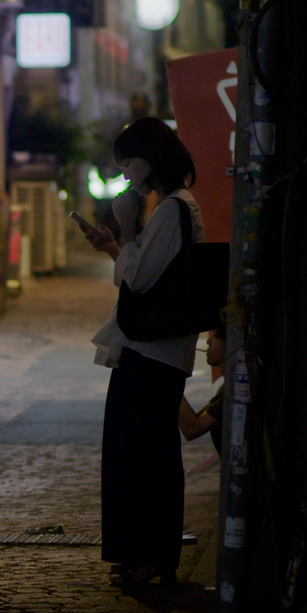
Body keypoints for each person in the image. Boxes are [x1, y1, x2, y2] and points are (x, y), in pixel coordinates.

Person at [79, 118, 204, 587]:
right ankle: (142, 552)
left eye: (128, 161)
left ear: (151, 159)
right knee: (138, 454)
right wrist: (117, 245)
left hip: (152, 351)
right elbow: (143, 273)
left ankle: (150, 555)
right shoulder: (174, 207)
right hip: (150, 348)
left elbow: (139, 280)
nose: (125, 173)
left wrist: (127, 227)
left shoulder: (172, 209)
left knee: (143, 458)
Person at [179, 330, 226, 455]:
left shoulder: (236, 392)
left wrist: (168, 383)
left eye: (217, 336)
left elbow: (193, 428)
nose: (209, 341)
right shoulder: (226, 388)